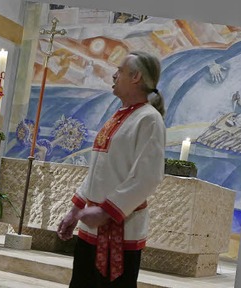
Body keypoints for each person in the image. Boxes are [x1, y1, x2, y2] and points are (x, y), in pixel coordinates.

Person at [57, 51, 166, 288]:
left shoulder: (149, 120)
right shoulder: (118, 116)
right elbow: (98, 171)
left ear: (135, 76)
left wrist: (105, 211)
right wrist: (75, 210)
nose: (113, 76)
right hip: (91, 227)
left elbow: (148, 177)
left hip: (120, 231)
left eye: (120, 70)